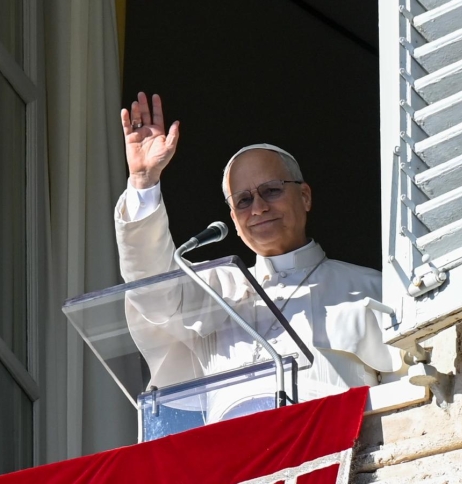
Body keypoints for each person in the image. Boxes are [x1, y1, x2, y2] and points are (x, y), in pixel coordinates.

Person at [115, 92, 401, 429]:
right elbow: (153, 294)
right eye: (244, 200)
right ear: (234, 220)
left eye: (272, 190)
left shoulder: (373, 289)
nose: (259, 208)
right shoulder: (216, 288)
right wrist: (144, 184)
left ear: (305, 196)